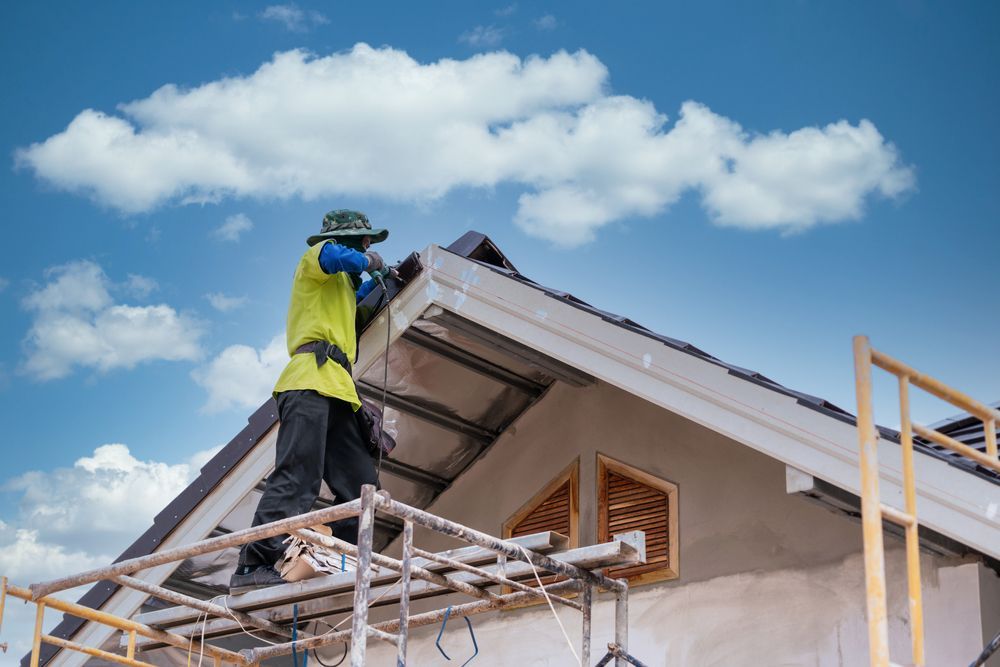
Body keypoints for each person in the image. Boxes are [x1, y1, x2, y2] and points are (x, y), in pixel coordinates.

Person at [230, 209, 389, 594]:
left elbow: (361, 302)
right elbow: (333, 257)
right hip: (308, 380)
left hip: (339, 389)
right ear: (349, 239)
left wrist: (381, 281)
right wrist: (369, 263)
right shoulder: (316, 261)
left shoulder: (341, 291)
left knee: (364, 491)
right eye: (365, 240)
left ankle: (316, 547)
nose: (369, 245)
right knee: (298, 477)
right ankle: (253, 565)